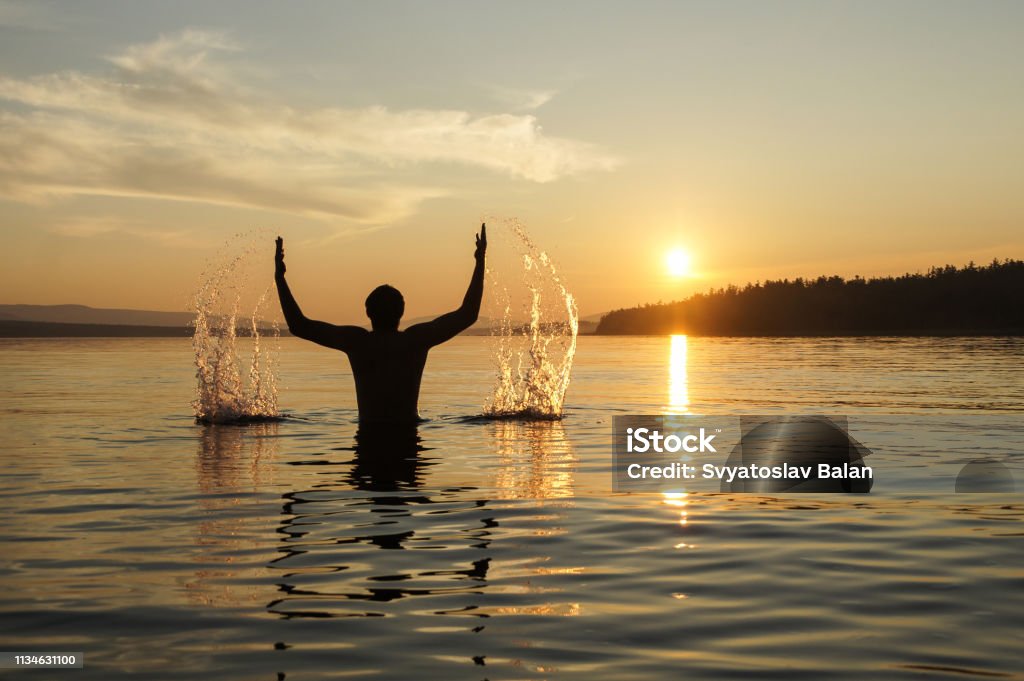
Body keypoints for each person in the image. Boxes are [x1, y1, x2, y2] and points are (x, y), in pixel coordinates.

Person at [274, 224, 486, 424]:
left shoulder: (358, 342)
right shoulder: (415, 340)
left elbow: (299, 325)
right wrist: (480, 261)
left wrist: (280, 278)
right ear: (402, 312)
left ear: (368, 313)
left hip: (368, 434)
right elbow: (467, 314)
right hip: (408, 436)